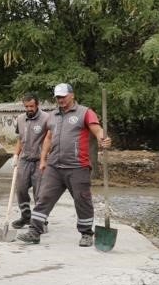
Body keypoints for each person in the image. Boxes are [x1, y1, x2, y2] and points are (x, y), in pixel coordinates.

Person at [16, 83, 112, 247]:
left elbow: (97, 130)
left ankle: (86, 233)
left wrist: (104, 139)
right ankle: (34, 232)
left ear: (72, 95)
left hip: (77, 166)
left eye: (63, 96)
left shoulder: (85, 112)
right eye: (58, 97)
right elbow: (48, 138)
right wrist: (43, 159)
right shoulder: (52, 116)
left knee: (82, 200)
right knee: (43, 198)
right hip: (54, 166)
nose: (60, 100)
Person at [10, 93, 49, 229]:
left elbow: (50, 139)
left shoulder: (46, 118)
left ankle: (41, 221)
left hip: (40, 161)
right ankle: (26, 217)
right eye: (26, 106)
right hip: (25, 160)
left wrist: (46, 158)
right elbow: (20, 139)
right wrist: (16, 155)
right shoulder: (20, 119)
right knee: (20, 189)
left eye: (31, 106)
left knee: (40, 193)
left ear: (37, 105)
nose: (29, 109)